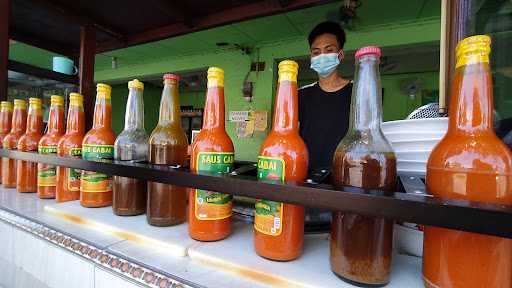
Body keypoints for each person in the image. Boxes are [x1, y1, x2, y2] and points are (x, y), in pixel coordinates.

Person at [299, 21, 352, 182]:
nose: (322, 56)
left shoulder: (358, 92)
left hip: (346, 177)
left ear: (340, 55)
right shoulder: (300, 95)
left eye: (329, 50)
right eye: (316, 52)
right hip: (305, 177)